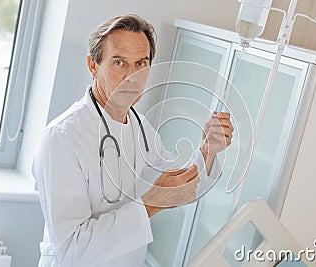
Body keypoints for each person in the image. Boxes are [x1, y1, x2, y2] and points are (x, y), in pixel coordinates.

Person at [33, 14, 234, 267]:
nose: (132, 76)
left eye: (141, 64)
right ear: (93, 66)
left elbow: (177, 187)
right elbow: (73, 249)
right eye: (119, 62)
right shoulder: (61, 139)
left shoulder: (141, 127)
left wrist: (208, 150)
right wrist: (149, 205)